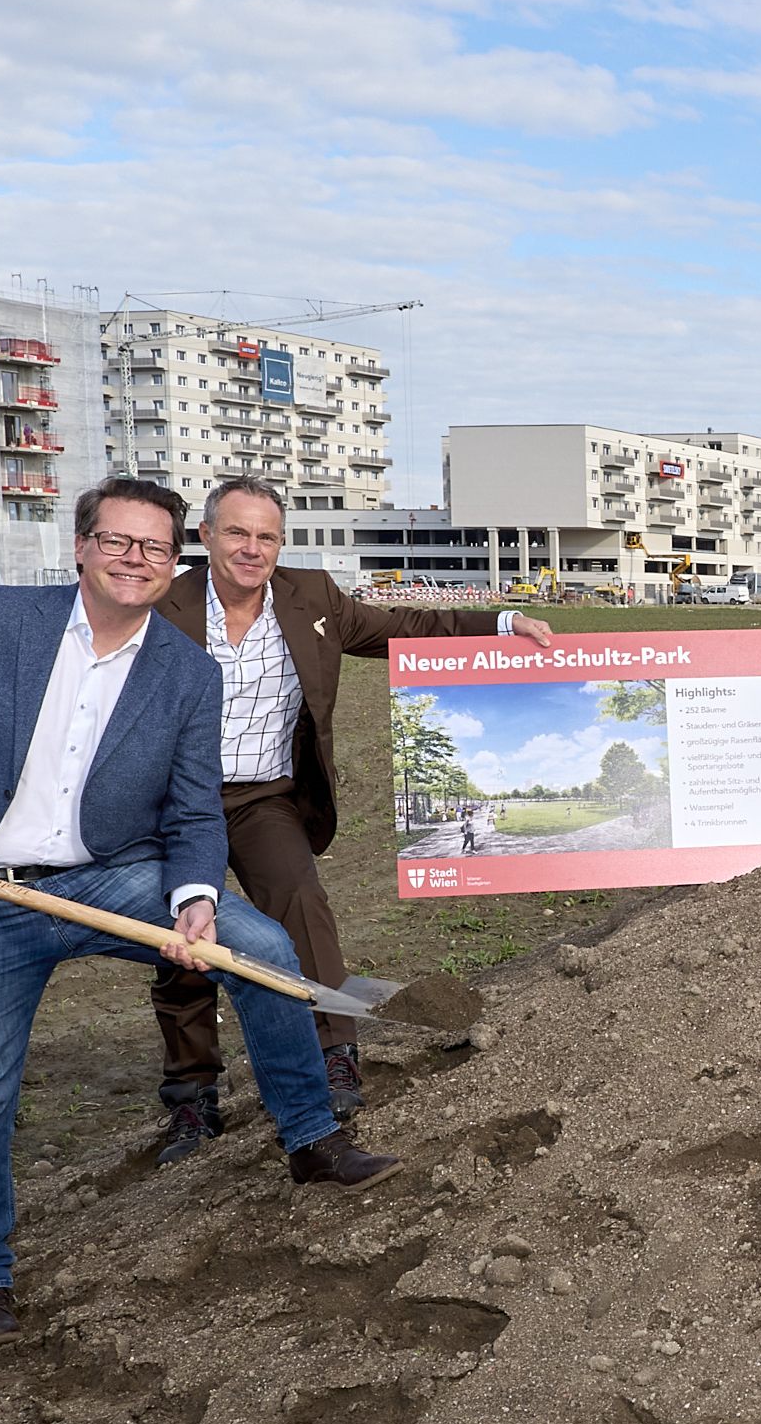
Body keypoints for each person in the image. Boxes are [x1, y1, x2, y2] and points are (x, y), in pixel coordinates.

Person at [0, 479, 402, 1354]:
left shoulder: (185, 669)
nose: (135, 561)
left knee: (262, 945)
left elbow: (190, 807)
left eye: (152, 548)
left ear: (173, 557)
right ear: (80, 546)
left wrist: (195, 899)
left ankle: (311, 1138)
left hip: (108, 876)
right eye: (118, 542)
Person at [147, 478, 551, 1160]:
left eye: (267, 536)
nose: (253, 548)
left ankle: (336, 1053)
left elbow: (405, 627)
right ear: (207, 537)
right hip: (171, 798)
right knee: (179, 938)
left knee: (302, 904)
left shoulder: (313, 599)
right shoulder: (163, 603)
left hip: (264, 797)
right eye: (238, 533)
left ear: (282, 542)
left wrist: (503, 623)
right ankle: (192, 1099)